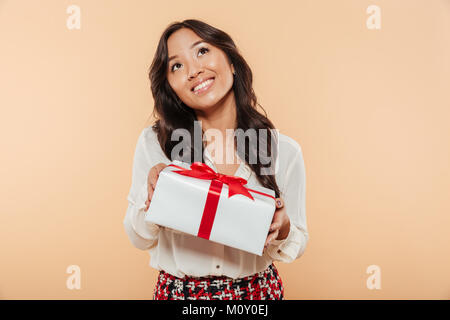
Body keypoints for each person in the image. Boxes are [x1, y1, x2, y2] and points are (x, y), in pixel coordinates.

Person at [123, 19, 308, 300]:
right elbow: (139, 237)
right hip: (180, 296)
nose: (194, 71)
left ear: (231, 61)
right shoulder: (157, 143)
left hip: (256, 295)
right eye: (177, 65)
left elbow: (296, 242)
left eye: (202, 51)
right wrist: (154, 199)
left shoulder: (283, 150)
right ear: (170, 85)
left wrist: (281, 228)